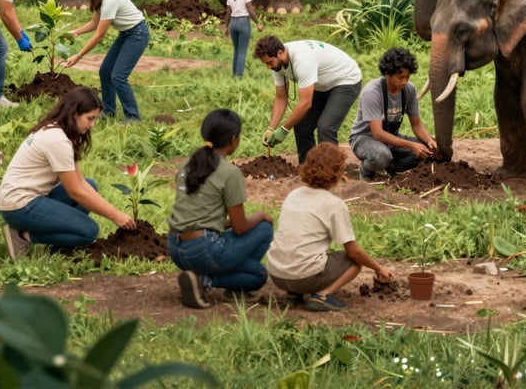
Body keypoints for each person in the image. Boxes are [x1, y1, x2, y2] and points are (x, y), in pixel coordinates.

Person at [0, 86, 136, 261]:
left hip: (29, 198)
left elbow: (80, 183)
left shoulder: (62, 132)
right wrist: (115, 215)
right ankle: (23, 235)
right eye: (90, 118)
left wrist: (114, 211)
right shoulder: (56, 140)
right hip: (19, 206)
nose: (93, 125)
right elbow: (75, 192)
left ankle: (59, 247)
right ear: (73, 114)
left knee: (90, 185)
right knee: (88, 231)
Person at [267, 142, 393, 311]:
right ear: (337, 173)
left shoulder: (293, 195)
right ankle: (322, 296)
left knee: (305, 249)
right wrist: (378, 267)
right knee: (353, 263)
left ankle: (294, 294)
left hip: (277, 274)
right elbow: (353, 252)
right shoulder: (334, 204)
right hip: (304, 276)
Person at [168, 108, 274, 308]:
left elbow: (201, 217)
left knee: (247, 252)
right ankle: (206, 282)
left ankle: (200, 276)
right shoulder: (229, 172)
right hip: (202, 250)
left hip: (175, 248)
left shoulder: (188, 164)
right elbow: (240, 227)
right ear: (233, 139)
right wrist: (261, 215)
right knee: (258, 272)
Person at [254, 35, 362, 164]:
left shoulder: (302, 60)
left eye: (269, 63)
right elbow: (281, 98)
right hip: (321, 84)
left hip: (345, 79)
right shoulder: (276, 63)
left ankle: (331, 172)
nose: (268, 67)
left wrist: (283, 130)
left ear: (280, 53)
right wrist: (271, 128)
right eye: (265, 63)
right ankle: (308, 168)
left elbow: (305, 103)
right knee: (302, 124)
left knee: (326, 127)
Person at [64, 0, 149, 123]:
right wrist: (76, 32)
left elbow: (99, 35)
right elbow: (94, 23)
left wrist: (79, 56)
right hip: (126, 34)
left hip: (137, 34)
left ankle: (133, 117)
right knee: (105, 71)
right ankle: (109, 111)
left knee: (118, 77)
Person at [350, 47, 437, 181]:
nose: (404, 81)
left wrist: (429, 141)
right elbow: (377, 133)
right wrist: (411, 145)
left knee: (427, 151)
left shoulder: (409, 90)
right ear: (387, 73)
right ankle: (366, 169)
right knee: (381, 156)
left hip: (390, 138)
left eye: (407, 77)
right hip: (364, 138)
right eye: (400, 77)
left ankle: (392, 168)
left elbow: (417, 124)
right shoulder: (372, 93)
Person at [223, 0, 263, 78]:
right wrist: (258, 23)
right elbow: (250, 11)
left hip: (233, 24)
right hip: (243, 23)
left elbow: (228, 13)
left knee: (236, 50)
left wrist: (226, 26)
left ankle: (234, 74)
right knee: (242, 51)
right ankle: (239, 77)